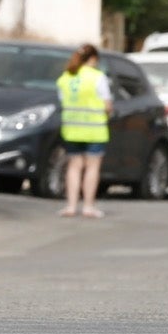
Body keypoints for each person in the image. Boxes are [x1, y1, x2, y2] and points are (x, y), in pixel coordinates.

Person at [56, 44, 114, 219]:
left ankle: (71, 206)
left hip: (72, 129)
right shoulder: (98, 77)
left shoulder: (65, 77)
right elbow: (107, 105)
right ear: (93, 59)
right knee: (92, 167)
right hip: (94, 130)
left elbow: (62, 101)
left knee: (74, 166)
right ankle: (88, 206)